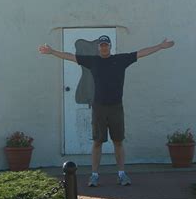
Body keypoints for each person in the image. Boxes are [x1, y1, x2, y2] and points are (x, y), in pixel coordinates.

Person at [38, 35, 175, 186]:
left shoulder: (121, 60)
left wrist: (159, 46)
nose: (103, 47)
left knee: (118, 141)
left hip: (116, 107)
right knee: (97, 142)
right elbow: (70, 57)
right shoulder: (93, 61)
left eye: (106, 45)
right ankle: (94, 176)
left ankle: (122, 175)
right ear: (98, 47)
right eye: (101, 45)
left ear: (110, 46)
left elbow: (141, 53)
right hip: (99, 108)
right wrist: (52, 51)